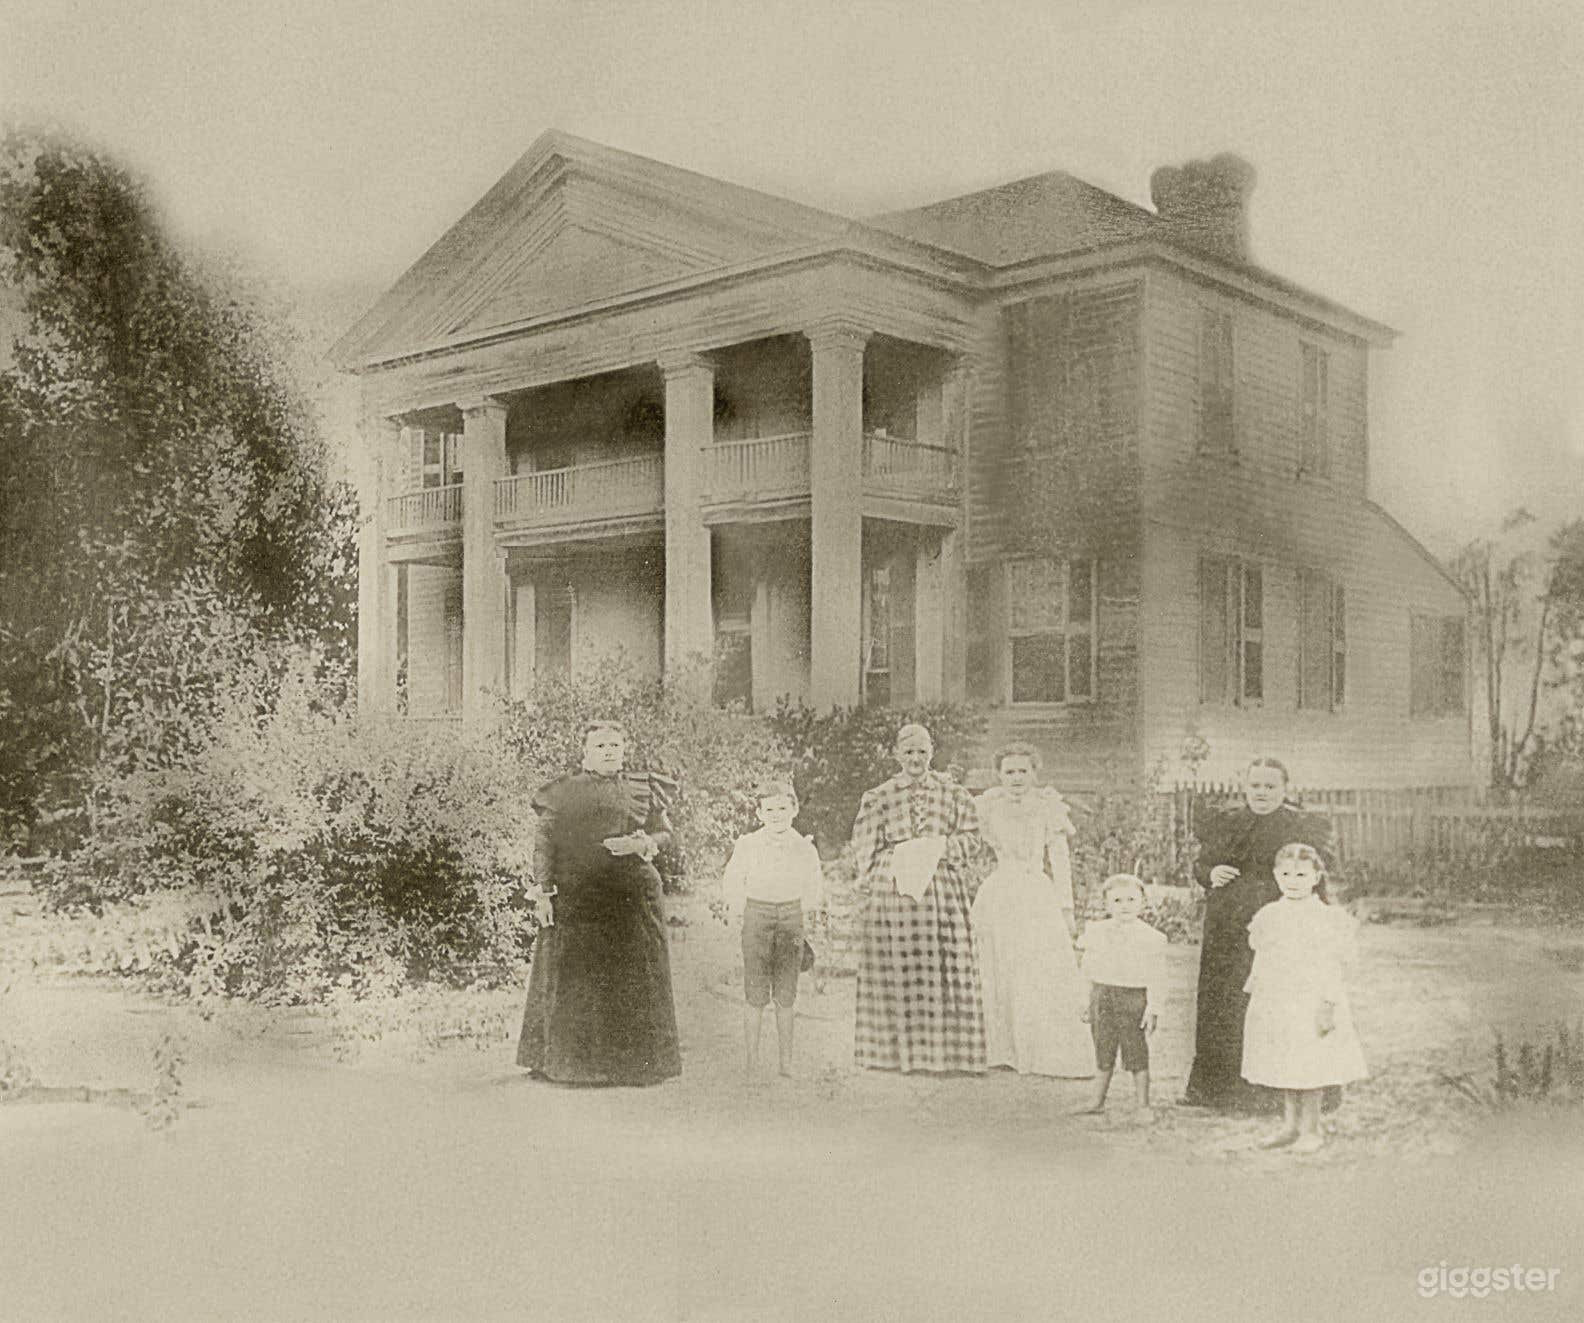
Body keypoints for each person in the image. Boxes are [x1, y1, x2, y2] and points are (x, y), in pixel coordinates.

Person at [516, 721, 682, 1086]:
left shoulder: (642, 787)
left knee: (633, 976)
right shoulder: (564, 791)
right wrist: (543, 891)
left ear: (624, 749)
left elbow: (665, 833)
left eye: (615, 745)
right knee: (577, 977)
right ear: (585, 752)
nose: (609, 751)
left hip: (631, 899)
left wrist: (642, 844)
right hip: (579, 898)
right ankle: (571, 1066)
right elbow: (544, 842)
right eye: (600, 746)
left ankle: (635, 1066)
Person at [1180, 757, 1334, 1112]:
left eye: (1270, 786)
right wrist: (1210, 872)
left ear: (1284, 789)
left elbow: (1318, 874)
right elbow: (1202, 865)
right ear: (1245, 787)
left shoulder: (1302, 826)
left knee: (1276, 1003)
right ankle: (1217, 1090)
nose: (1262, 793)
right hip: (1228, 927)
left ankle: (1277, 1090)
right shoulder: (1227, 821)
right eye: (1255, 786)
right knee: (1224, 1002)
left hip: (1281, 925)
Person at [850, 723, 986, 1074]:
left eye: (922, 752)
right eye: (908, 752)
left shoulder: (952, 793)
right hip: (894, 889)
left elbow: (972, 838)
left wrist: (939, 848)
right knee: (897, 966)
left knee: (943, 966)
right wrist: (869, 878)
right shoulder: (879, 796)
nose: (915, 759)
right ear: (896, 754)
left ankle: (946, 1055)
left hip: (940, 891)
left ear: (932, 753)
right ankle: (892, 1055)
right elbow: (866, 845)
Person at [970, 743, 1093, 1077]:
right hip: (1000, 891)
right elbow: (968, 842)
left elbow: (1060, 858)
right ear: (999, 775)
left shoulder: (1046, 806)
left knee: (1036, 966)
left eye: (1023, 771)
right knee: (1000, 965)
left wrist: (1067, 907)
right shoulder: (988, 807)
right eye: (1009, 771)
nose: (1016, 778)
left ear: (1035, 774)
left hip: (1037, 892)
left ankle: (1040, 1049)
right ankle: (1002, 1048)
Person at [1241, 843, 1367, 1153]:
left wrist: (1327, 1004)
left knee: (1311, 1062)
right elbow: (1264, 955)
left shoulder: (1327, 919)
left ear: (1315, 878)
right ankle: (1289, 1125)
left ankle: (1312, 1128)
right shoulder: (1269, 915)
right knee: (1285, 1059)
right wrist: (1255, 986)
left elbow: (1332, 967)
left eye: (1301, 874)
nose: (1293, 880)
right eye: (1285, 874)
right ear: (1275, 876)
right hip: (1278, 998)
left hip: (1312, 999)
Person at [721, 781, 824, 1079]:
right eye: (770, 809)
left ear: (794, 809)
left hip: (791, 917)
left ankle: (786, 1062)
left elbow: (813, 884)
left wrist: (811, 912)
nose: (776, 814)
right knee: (755, 992)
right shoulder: (748, 844)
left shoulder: (804, 847)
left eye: (783, 808)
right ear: (759, 813)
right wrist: (737, 909)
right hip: (757, 915)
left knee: (786, 994)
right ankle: (752, 1061)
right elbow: (732, 880)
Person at [1074, 874, 1167, 1114]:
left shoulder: (1151, 938)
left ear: (1142, 903)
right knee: (1103, 1049)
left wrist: (1153, 1008)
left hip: (1132, 999)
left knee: (1135, 1051)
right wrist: (1085, 1000)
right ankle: (1097, 1101)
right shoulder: (1097, 932)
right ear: (1106, 904)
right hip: (1102, 995)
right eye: (1117, 901)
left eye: (1130, 900)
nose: (1124, 906)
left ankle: (1143, 1105)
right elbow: (1088, 968)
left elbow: (1157, 976)